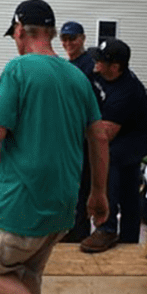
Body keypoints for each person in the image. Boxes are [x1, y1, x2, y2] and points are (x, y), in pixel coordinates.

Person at [0, 0, 109, 294]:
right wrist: (98, 194)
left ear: (19, 31)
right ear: (52, 33)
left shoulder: (18, 68)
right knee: (26, 273)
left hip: (22, 202)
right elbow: (99, 138)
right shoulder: (78, 78)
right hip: (62, 205)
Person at [80, 38, 147, 253]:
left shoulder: (127, 92)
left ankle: (106, 228)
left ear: (115, 68)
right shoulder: (96, 71)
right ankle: (130, 236)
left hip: (138, 137)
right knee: (128, 181)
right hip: (120, 131)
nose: (95, 63)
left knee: (109, 159)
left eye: (100, 61)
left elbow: (104, 135)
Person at [59, 21, 100, 243]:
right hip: (69, 136)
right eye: (64, 39)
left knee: (83, 187)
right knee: (70, 187)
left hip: (84, 137)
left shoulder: (89, 66)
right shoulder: (70, 65)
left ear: (82, 39)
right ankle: (69, 230)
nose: (68, 43)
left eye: (72, 39)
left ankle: (80, 233)